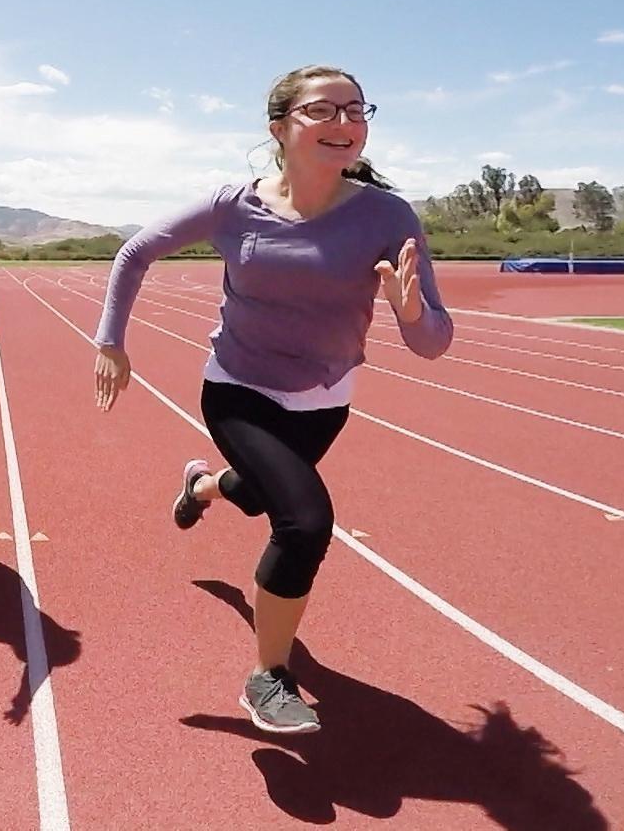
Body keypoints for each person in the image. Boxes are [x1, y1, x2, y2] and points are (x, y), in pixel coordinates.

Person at [92, 65, 452, 734]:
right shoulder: (233, 206)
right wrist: (111, 342)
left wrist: (410, 313)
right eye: (323, 110)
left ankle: (202, 486)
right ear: (280, 127)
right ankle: (268, 677)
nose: (344, 123)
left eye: (356, 110)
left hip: (325, 398)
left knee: (258, 495)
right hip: (239, 388)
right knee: (304, 522)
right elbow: (135, 252)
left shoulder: (387, 215)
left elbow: (433, 341)